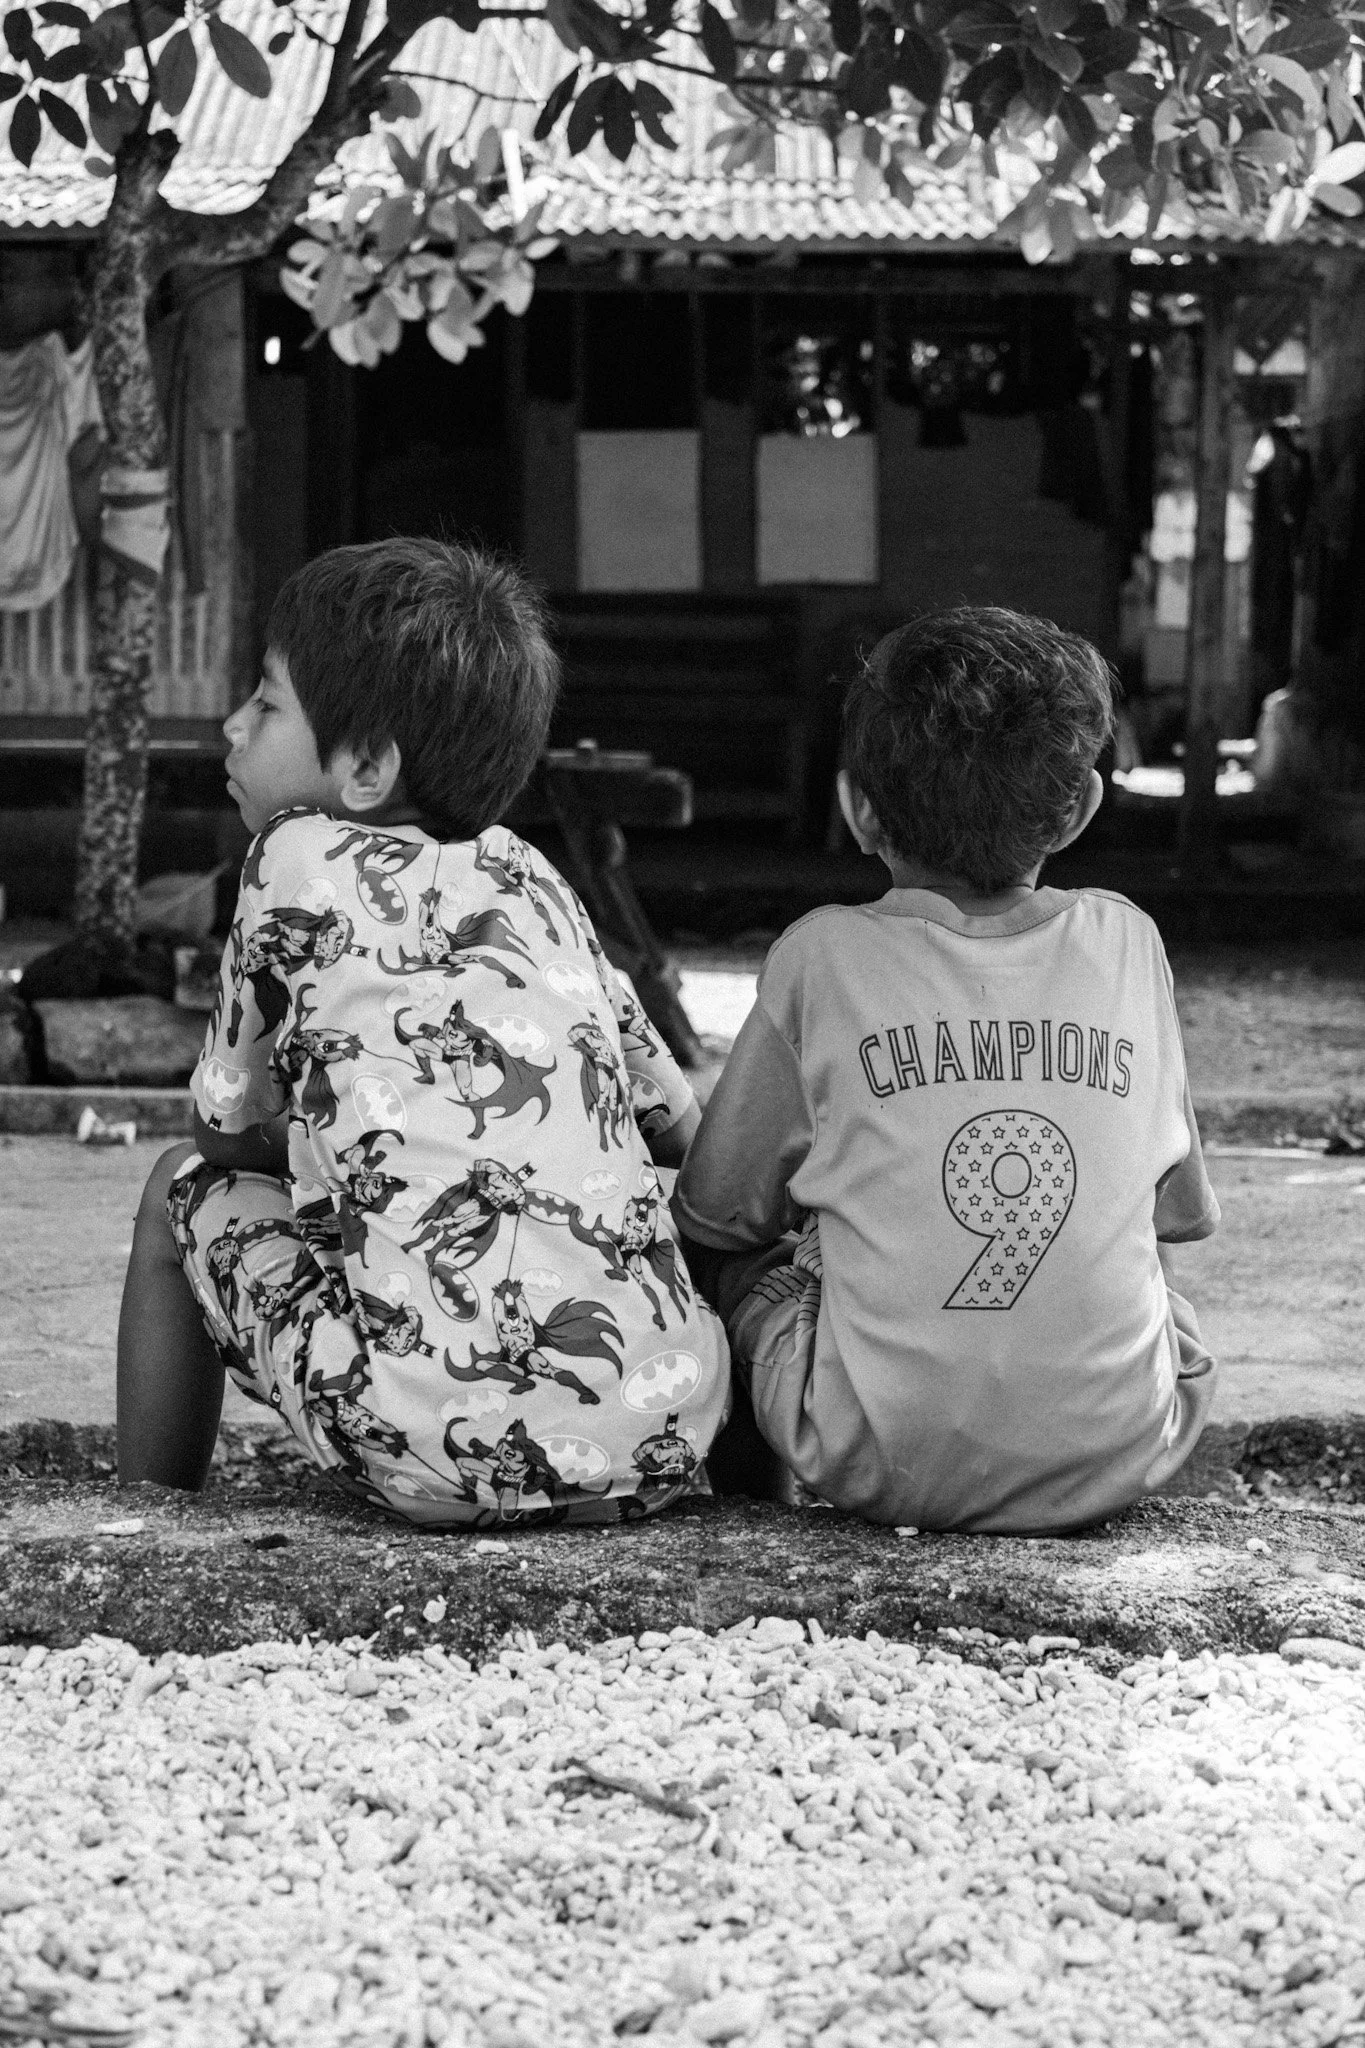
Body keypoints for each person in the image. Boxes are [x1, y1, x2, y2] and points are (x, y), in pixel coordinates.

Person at [117, 539, 728, 1527]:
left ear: (365, 765)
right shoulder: (535, 876)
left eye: (266, 705)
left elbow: (225, 1130)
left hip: (414, 1451)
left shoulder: (290, 858)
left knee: (178, 1193)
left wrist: (340, 1146)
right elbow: (685, 1131)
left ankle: (147, 1516)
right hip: (660, 1435)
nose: (232, 726)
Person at [675, 606, 1219, 1534]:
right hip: (1128, 1444)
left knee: (731, 1269)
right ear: (1081, 807)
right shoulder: (1128, 941)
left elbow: (719, 1212)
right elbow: (1179, 1215)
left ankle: (746, 1509)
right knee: (1153, 1291)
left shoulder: (820, 958)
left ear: (856, 807)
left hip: (867, 1454)